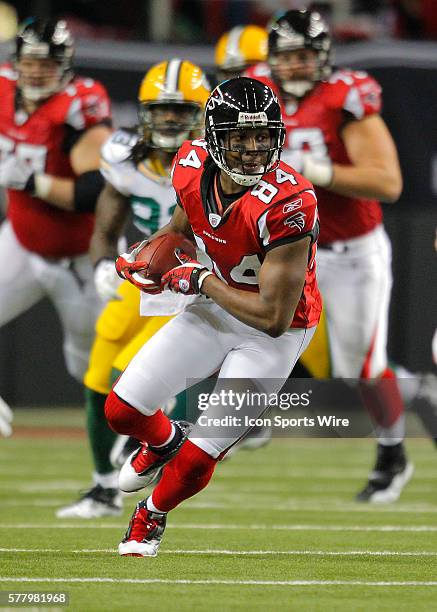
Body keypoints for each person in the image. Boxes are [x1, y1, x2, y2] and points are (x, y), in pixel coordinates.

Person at [104, 76, 321, 557]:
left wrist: (199, 280)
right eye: (240, 138)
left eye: (262, 137)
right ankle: (162, 442)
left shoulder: (289, 202)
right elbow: (183, 227)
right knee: (121, 410)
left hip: (277, 332)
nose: (251, 149)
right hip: (215, 308)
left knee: (203, 452)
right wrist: (149, 254)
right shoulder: (189, 164)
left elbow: (272, 319)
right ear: (214, 138)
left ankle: (151, 515)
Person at [245, 8, 413, 502]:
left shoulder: (345, 98)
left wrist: (323, 170)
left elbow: (389, 182)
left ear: (322, 57)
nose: (295, 66)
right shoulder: (257, 91)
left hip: (349, 251)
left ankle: (392, 451)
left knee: (357, 371)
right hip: (288, 249)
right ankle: (237, 426)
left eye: (304, 55)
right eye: (287, 56)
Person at [56, 59, 211, 519]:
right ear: (143, 112)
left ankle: (159, 449)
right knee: (98, 372)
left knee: (128, 374)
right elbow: (106, 224)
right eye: (160, 110)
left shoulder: (217, 162)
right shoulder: (124, 156)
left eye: (181, 110)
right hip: (142, 277)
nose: (169, 119)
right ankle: (103, 487)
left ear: (202, 115)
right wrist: (103, 263)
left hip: (190, 281)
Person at [0, 19, 112, 394]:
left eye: (45, 64)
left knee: (88, 361)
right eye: (29, 62)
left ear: (64, 66)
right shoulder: (1, 87)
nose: (35, 72)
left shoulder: (79, 104)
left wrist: (33, 182)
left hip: (85, 255)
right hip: (22, 239)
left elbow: (94, 192)